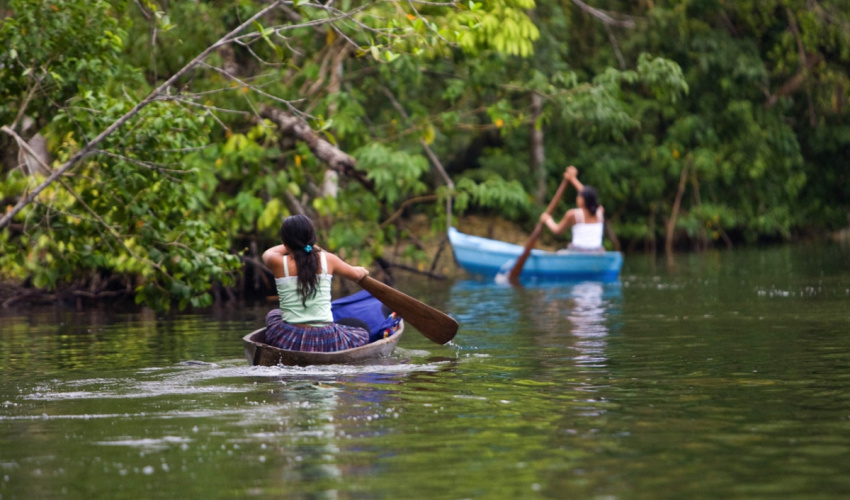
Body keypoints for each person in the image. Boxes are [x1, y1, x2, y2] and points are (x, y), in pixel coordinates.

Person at [261, 214, 371, 352]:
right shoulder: (329, 260)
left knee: (274, 315)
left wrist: (296, 245)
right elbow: (357, 275)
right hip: (327, 340)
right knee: (363, 334)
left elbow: (268, 252)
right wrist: (361, 270)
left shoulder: (276, 262)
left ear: (285, 242)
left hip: (290, 340)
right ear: (312, 238)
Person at [539, 166, 605, 252]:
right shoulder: (600, 211)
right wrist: (573, 179)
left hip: (578, 253)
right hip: (597, 252)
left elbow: (557, 230)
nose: (577, 197)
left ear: (582, 200)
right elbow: (587, 195)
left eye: (579, 196)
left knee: (560, 252)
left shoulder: (573, 214)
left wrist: (547, 220)